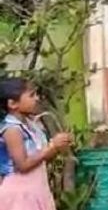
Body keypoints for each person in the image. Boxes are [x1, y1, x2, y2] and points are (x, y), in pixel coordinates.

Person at [0, 77, 72, 210]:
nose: (37, 98)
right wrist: (52, 146)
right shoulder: (12, 130)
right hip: (20, 194)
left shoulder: (31, 124)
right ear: (12, 104)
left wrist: (56, 148)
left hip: (36, 189)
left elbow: (41, 159)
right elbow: (23, 165)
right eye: (31, 95)